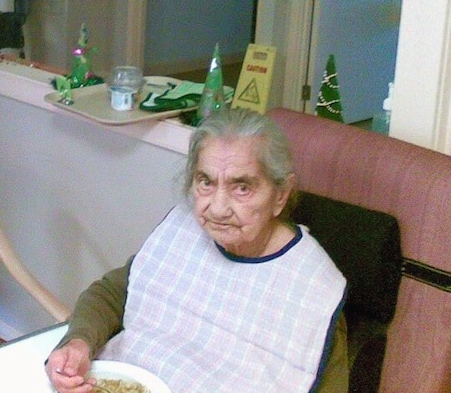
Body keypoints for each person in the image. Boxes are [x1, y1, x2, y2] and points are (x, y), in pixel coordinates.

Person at [46, 108, 348, 393]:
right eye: (205, 182)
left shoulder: (315, 288)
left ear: (281, 195)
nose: (217, 208)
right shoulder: (184, 228)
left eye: (241, 187)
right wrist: (79, 342)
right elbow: (113, 295)